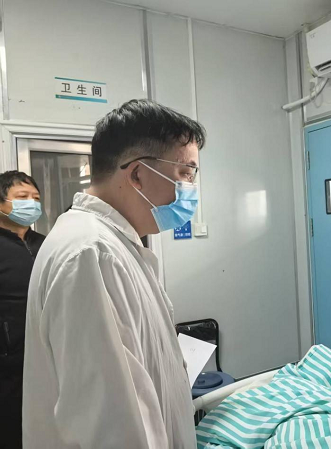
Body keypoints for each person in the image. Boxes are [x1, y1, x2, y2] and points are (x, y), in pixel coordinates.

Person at [22, 99, 206, 449]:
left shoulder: (113, 244)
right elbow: (111, 426)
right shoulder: (90, 254)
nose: (191, 188)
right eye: (186, 173)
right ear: (137, 174)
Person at [0, 171, 44, 449]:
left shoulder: (47, 243)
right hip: (7, 368)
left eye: (36, 198)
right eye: (22, 197)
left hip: (46, 359)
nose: (32, 203)